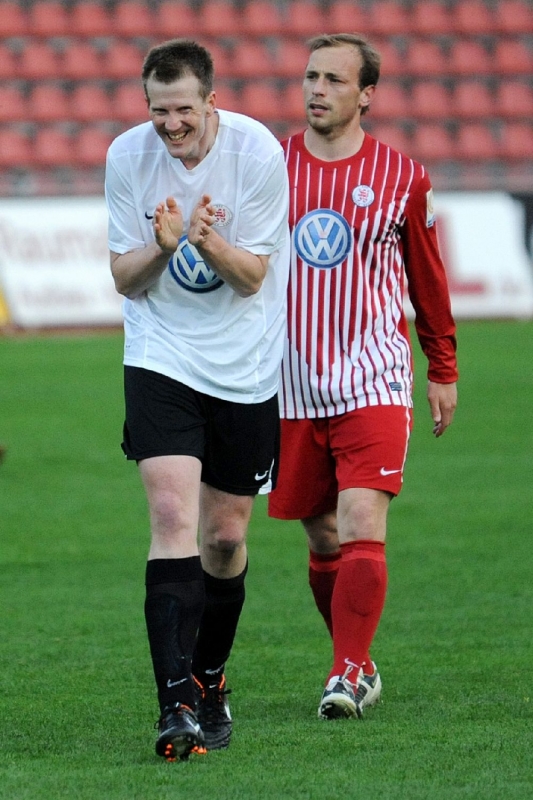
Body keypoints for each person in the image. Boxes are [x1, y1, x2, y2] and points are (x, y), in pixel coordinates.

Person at [105, 38, 290, 761]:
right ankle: (175, 705)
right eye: (159, 110)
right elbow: (125, 279)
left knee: (224, 538)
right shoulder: (127, 155)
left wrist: (207, 244)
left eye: (183, 109)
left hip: (244, 364)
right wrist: (163, 245)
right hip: (161, 354)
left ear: (212, 101)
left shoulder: (256, 152)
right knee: (171, 516)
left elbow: (251, 278)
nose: (170, 124)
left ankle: (210, 676)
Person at [268, 33, 458, 721]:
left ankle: (345, 674)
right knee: (322, 536)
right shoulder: (269, 165)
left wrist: (442, 366)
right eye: (310, 77)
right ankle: (359, 659)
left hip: (373, 376)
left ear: (367, 94)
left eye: (334, 80)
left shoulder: (403, 177)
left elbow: (427, 279)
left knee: (359, 518)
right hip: (289, 382)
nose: (317, 90)